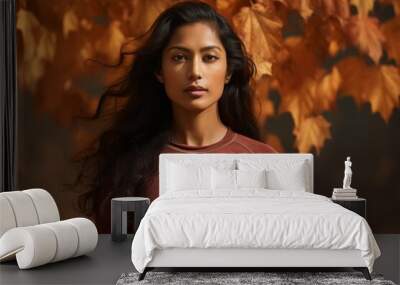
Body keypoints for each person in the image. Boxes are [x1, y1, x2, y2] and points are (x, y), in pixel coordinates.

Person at [74, 1, 276, 233]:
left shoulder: (263, 159)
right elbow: (109, 254)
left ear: (228, 71)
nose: (195, 72)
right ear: (159, 71)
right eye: (179, 57)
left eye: (209, 57)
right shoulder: (129, 165)